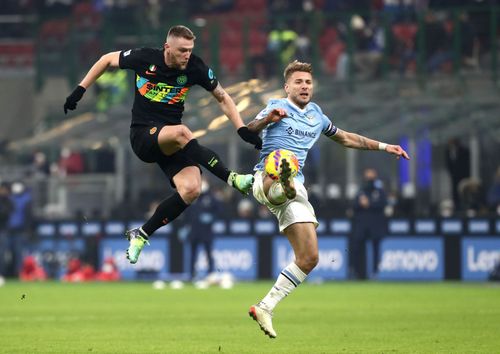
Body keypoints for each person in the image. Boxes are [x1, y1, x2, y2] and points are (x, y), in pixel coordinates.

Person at [63, 25, 262, 264]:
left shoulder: (195, 67)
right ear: (167, 47)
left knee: (191, 189)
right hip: (143, 136)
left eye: (189, 50)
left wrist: (240, 127)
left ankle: (142, 233)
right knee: (182, 132)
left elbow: (222, 96)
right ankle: (232, 179)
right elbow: (106, 60)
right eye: (181, 50)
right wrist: (80, 90)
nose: (186, 55)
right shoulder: (145, 58)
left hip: (170, 141)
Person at [246, 60, 409, 338]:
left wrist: (384, 146)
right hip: (264, 178)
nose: (305, 86)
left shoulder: (316, 116)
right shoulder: (277, 106)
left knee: (309, 258)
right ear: (287, 87)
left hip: (295, 189)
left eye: (308, 82)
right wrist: (266, 120)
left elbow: (345, 138)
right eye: (298, 82)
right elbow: (248, 129)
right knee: (282, 170)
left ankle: (266, 306)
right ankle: (282, 183)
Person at [351, 168, 387, 279]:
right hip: (361, 224)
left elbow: (383, 204)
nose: (369, 178)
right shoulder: (360, 190)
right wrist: (360, 203)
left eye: (371, 176)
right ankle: (357, 272)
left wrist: (369, 203)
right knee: (358, 248)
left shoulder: (379, 190)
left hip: (375, 224)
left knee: (376, 249)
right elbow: (354, 205)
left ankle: (375, 272)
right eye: (367, 176)